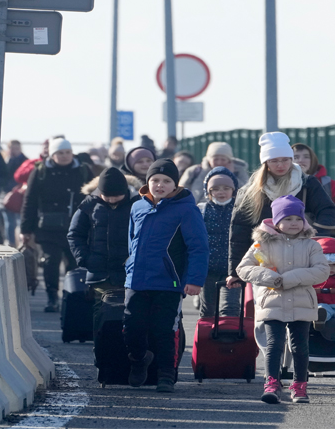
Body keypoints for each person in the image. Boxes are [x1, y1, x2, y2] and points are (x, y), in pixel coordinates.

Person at [124, 158, 209, 393]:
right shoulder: (137, 206)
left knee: (165, 330)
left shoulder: (186, 209)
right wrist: (129, 268)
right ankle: (139, 360)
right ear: (147, 182)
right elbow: (131, 242)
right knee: (132, 327)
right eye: (155, 180)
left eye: (166, 181)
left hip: (169, 283)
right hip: (137, 280)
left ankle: (166, 375)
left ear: (175, 184)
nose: (159, 185)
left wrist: (193, 280)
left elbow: (199, 247)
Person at [237, 195, 329, 404]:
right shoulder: (262, 245)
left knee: (300, 346)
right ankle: (271, 382)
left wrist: (290, 278)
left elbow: (322, 271)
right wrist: (269, 277)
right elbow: (243, 268)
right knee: (274, 344)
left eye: (298, 218)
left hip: (302, 302)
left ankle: (299, 385)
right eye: (287, 219)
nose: (294, 223)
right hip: (272, 301)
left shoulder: (311, 245)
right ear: (276, 221)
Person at [227, 131, 335, 290]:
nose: (280, 165)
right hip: (266, 261)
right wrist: (235, 271)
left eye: (285, 160)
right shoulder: (251, 191)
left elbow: (328, 211)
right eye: (274, 161)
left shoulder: (307, 183)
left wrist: (315, 237)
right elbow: (239, 231)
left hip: (301, 258)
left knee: (301, 305)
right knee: (267, 308)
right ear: (265, 162)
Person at [20, 137, 94, 312]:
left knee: (75, 264)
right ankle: (52, 297)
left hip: (77, 227)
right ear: (52, 155)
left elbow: (94, 198)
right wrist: (25, 229)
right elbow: (29, 201)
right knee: (50, 262)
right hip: (48, 228)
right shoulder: (40, 171)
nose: (65, 156)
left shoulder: (83, 171)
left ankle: (72, 296)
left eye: (67, 152)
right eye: (60, 153)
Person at [67, 167, 138, 349]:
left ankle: (129, 354)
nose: (112, 200)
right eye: (107, 196)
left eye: (116, 196)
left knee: (132, 315)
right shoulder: (88, 205)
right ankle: (102, 353)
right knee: (101, 314)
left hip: (131, 272)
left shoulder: (137, 205)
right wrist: (85, 259)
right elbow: (75, 235)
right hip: (100, 273)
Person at [198, 166, 241, 318]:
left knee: (230, 308)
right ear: (208, 191)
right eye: (215, 188)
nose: (221, 192)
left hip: (232, 270)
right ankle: (206, 339)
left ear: (234, 190)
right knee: (208, 308)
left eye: (226, 188)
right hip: (208, 269)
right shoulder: (201, 211)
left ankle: (230, 339)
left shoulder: (240, 210)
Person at [180, 142, 250, 204]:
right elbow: (181, 191)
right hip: (197, 210)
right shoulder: (195, 171)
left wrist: (231, 175)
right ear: (209, 159)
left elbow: (245, 192)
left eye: (223, 159)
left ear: (229, 160)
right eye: (215, 159)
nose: (219, 162)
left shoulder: (238, 172)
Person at [2, 140, 28, 246]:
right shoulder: (4, 161)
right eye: (12, 148)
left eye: (16, 148)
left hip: (20, 195)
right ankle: (11, 242)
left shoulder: (25, 162)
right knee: (9, 222)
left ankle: (21, 243)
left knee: (19, 221)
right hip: (6, 195)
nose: (14, 151)